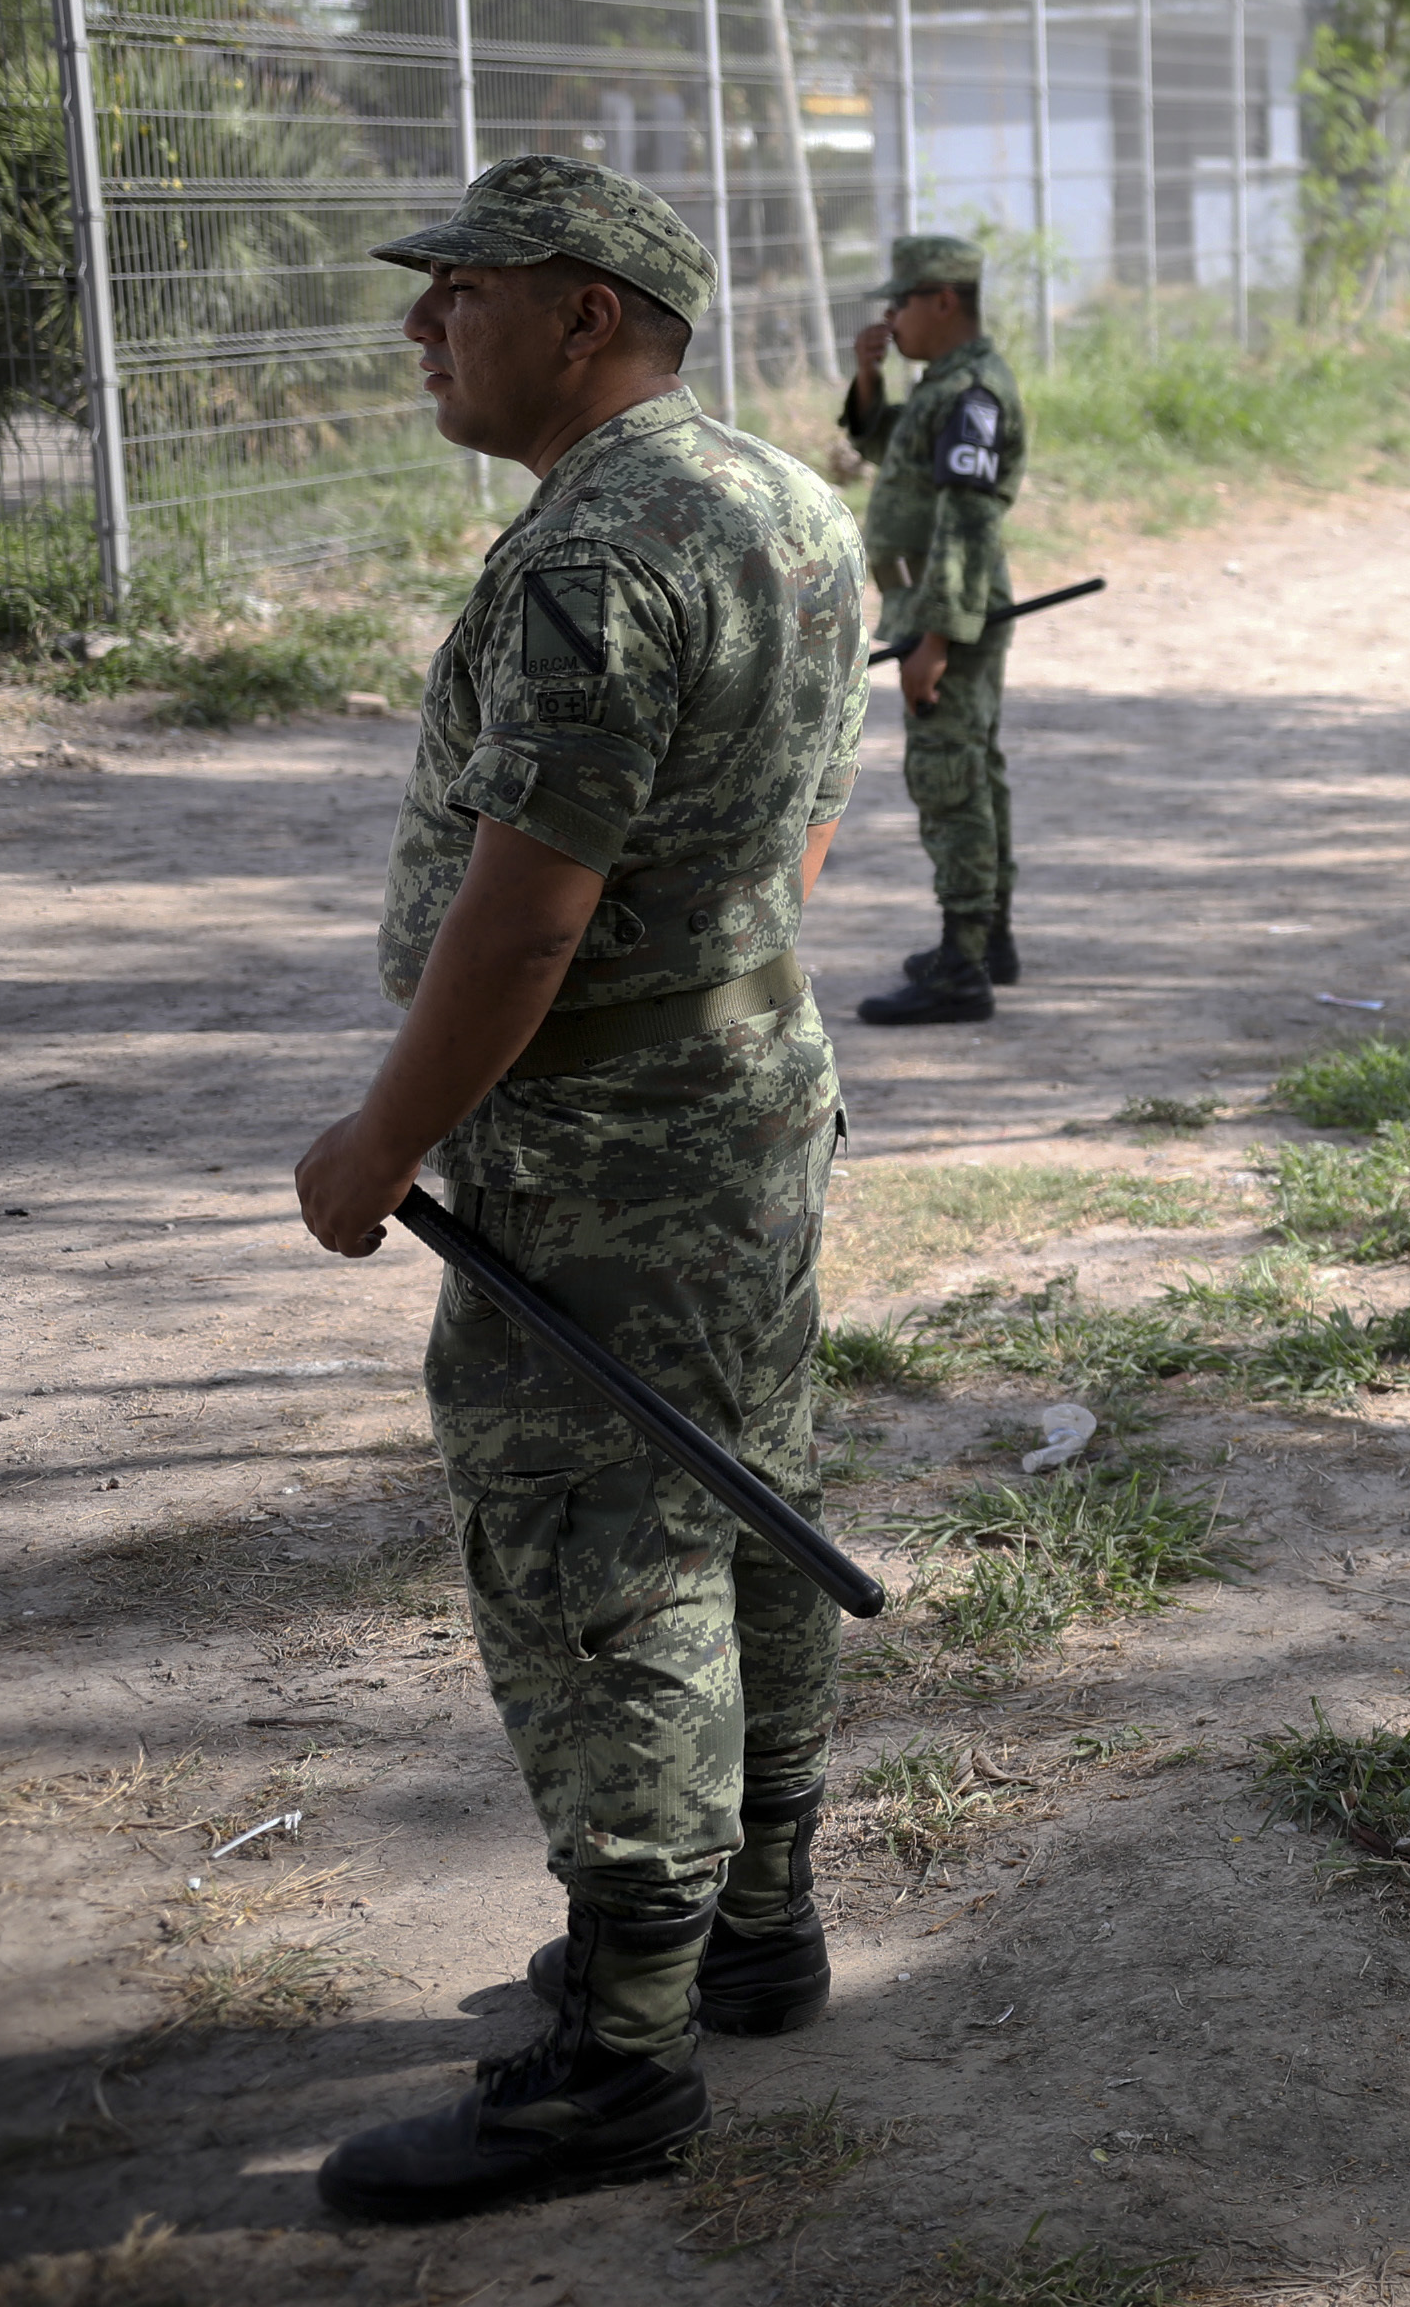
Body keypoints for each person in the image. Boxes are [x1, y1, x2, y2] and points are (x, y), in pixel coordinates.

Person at [291, 155, 869, 2222]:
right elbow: (806, 821)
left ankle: (621, 2057)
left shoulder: (592, 556)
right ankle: (754, 1928)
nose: (421, 325)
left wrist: (381, 1142)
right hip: (745, 1089)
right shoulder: (794, 505)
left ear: (587, 317)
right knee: (750, 1495)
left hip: (606, 1140)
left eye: (459, 288)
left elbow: (528, 922)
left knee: (595, 1550)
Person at [838, 233, 1026, 1025]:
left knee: (950, 778)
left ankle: (961, 964)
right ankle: (988, 939)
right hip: (929, 606)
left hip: (944, 612)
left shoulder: (972, 392)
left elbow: (967, 518)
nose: (891, 315)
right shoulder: (942, 385)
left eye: (901, 301)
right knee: (972, 767)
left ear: (942, 300)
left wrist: (937, 640)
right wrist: (869, 377)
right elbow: (890, 449)